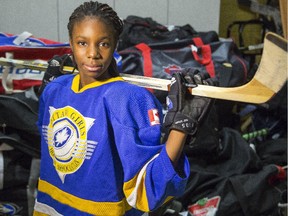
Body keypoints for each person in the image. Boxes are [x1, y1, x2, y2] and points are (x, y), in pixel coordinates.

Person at [33, 1, 216, 215]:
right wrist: (49, 93)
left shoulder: (128, 99)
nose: (93, 54)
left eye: (103, 43)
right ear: (71, 44)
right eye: (83, 43)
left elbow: (146, 190)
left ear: (115, 44)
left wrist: (180, 128)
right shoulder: (56, 89)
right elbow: (47, 143)